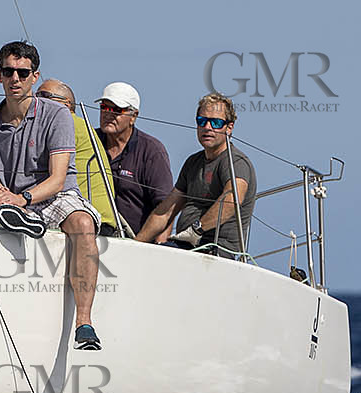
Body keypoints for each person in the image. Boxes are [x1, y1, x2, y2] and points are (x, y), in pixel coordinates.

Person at [0, 42, 105, 350]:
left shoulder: (57, 115)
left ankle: (84, 323)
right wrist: (0, 194)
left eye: (22, 73)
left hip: (51, 196)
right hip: (13, 199)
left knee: (84, 224)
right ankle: (17, 220)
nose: (15, 79)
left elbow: (58, 179)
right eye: (8, 72)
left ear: (35, 76)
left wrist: (22, 200)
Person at [135, 93, 256, 259]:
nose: (207, 127)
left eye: (216, 122)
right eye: (202, 121)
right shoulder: (193, 162)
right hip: (186, 246)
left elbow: (232, 200)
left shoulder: (236, 162)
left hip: (216, 251)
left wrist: (196, 230)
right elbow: (165, 211)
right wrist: (134, 245)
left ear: (229, 128)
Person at [36, 79, 120, 236]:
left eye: (44, 96)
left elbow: (30, 171)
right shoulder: (80, 125)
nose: (38, 101)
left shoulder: (67, 124)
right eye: (36, 96)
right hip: (91, 217)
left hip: (88, 219)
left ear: (66, 104)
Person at [95, 82, 174, 239]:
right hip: (92, 237)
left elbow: (165, 208)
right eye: (104, 107)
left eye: (117, 110)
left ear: (133, 117)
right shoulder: (90, 141)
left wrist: (158, 248)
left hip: (136, 243)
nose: (108, 113)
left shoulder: (152, 151)